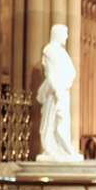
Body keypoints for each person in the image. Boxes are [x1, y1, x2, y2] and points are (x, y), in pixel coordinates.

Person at [36, 24, 83, 162]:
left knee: (63, 121)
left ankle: (65, 148)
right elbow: (50, 73)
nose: (67, 37)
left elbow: (72, 71)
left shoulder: (62, 52)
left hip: (63, 90)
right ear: (57, 34)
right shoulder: (49, 50)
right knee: (50, 121)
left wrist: (65, 85)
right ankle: (51, 149)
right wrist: (57, 90)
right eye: (65, 33)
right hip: (54, 92)